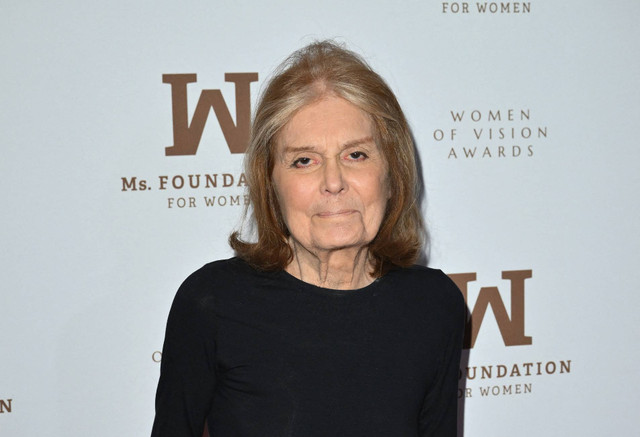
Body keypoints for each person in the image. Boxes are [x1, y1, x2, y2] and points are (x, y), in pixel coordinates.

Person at [151, 40, 465, 437]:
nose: (333, 182)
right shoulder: (212, 304)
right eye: (304, 160)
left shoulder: (434, 306)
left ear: (392, 173)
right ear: (270, 185)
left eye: (356, 155)